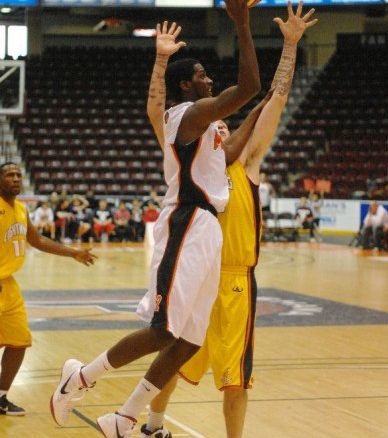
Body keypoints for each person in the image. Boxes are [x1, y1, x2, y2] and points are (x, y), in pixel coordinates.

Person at [50, 2, 261, 437]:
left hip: (207, 230)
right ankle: (81, 377)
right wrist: (240, 23)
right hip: (185, 223)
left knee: (189, 341)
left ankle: (124, 418)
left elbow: (234, 150)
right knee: (164, 330)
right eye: (202, 74)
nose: (209, 79)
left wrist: (267, 106)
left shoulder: (208, 129)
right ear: (186, 85)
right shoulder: (186, 116)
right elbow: (247, 86)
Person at [141, 3, 317, 437]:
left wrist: (290, 47)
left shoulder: (246, 163)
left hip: (235, 278)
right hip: (196, 269)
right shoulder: (192, 158)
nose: (218, 134)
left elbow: (274, 98)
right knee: (172, 356)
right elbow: (155, 112)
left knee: (236, 375)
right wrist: (161, 61)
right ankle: (152, 425)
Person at [0, 162, 96, 416]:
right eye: (10, 175)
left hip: (8, 285)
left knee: (19, 342)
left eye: (19, 175)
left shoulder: (20, 209)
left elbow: (38, 240)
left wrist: (73, 253)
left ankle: (0, 397)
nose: (16, 179)